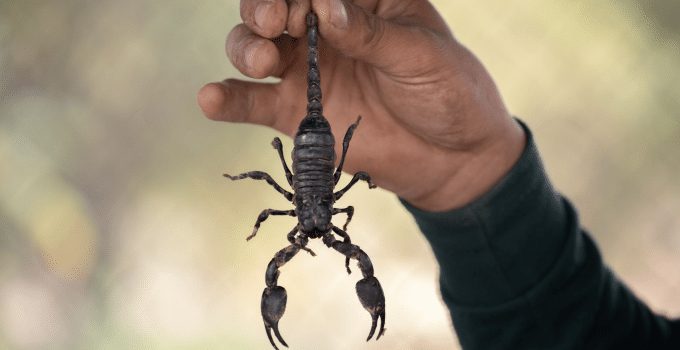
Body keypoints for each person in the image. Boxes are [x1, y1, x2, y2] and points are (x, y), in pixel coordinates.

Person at [196, 1, 680, 348]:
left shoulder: (305, 224)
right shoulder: (333, 217)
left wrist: (466, 179)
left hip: (311, 157)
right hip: (320, 155)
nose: (321, 236)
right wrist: (472, 177)